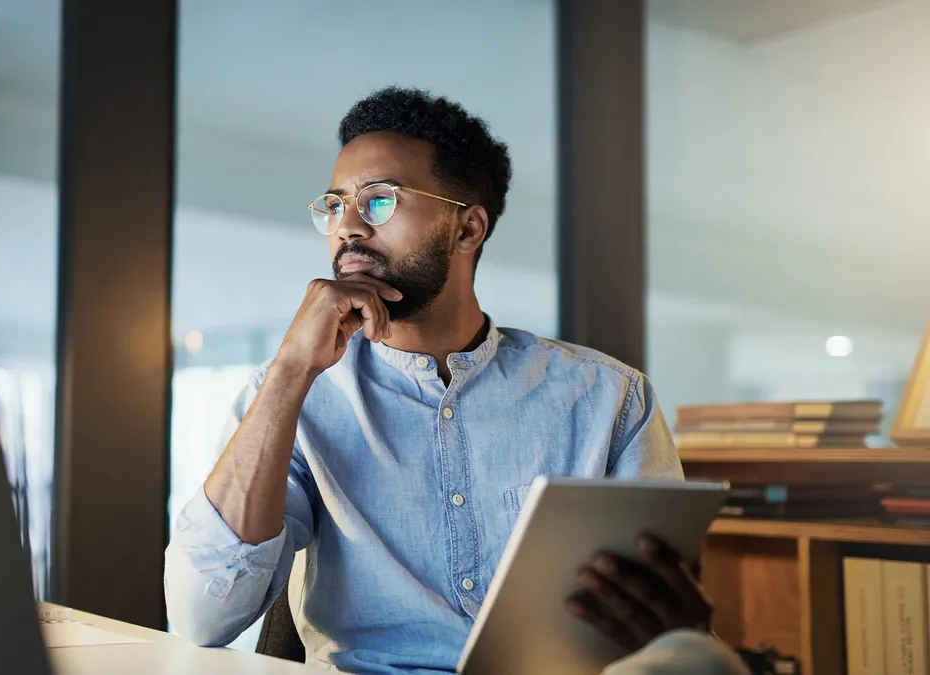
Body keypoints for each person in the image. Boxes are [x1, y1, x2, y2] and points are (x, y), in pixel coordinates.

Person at [165, 87, 744, 675]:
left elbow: (660, 623)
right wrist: (290, 371)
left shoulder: (608, 397)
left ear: (467, 229)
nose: (349, 227)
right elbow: (203, 615)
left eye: (380, 201)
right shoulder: (298, 390)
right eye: (336, 205)